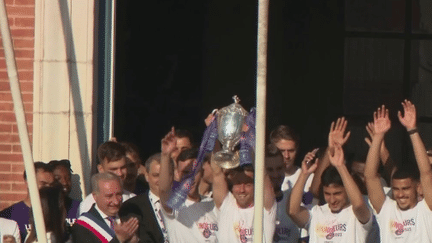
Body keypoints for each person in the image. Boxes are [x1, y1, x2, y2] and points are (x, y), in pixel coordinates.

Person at [364, 101, 432, 242]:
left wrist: (412, 130)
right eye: (396, 189)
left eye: (406, 188)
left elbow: (426, 172)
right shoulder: (387, 210)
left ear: (418, 187)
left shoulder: (425, 210)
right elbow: (370, 177)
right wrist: (378, 136)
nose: (400, 194)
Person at [288, 144, 372, 242]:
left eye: (337, 193)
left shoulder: (356, 215)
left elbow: (358, 204)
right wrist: (304, 174)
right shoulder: (316, 213)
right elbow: (293, 211)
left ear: (347, 190)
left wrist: (340, 166)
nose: (332, 200)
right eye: (327, 194)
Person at [159, 129, 218, 243]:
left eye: (194, 173)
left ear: (201, 172)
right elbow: (163, 189)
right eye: (185, 172)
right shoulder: (174, 203)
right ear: (177, 173)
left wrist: (214, 134)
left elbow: (218, 172)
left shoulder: (213, 204)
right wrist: (165, 155)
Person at [211, 148, 277, 243]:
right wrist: (215, 135)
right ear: (232, 185)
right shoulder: (226, 205)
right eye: (238, 183)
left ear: (256, 185)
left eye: (248, 184)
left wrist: (251, 140)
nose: (242, 190)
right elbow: (217, 171)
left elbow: (263, 174)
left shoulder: (265, 208)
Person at [72, 173, 139, 243]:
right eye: (109, 196)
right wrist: (119, 239)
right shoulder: (82, 226)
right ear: (95, 196)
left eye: (119, 194)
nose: (116, 202)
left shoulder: (131, 216)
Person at [0, 162, 55, 242]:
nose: (49, 189)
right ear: (28, 182)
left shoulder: (56, 215)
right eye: (43, 184)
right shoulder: (8, 215)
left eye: (51, 185)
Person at [118, 153, 167, 243]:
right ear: (147, 176)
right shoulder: (132, 207)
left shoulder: (185, 204)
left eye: (166, 175)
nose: (162, 180)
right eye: (156, 175)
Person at [78, 141, 136, 215]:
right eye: (113, 169)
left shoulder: (133, 199)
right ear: (101, 169)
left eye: (123, 167)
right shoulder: (88, 205)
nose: (120, 173)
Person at [265, 144, 301, 243]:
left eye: (279, 168)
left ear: (284, 167)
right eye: (270, 170)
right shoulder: (252, 202)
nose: (276, 175)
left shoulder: (293, 201)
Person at [270, 125, 312, 192]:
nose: (286, 156)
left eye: (291, 151)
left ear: (297, 150)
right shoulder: (263, 180)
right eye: (281, 151)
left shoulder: (309, 178)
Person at [48, 159, 81, 226]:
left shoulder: (80, 208)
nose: (65, 182)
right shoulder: (44, 207)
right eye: (58, 179)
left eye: (68, 178)